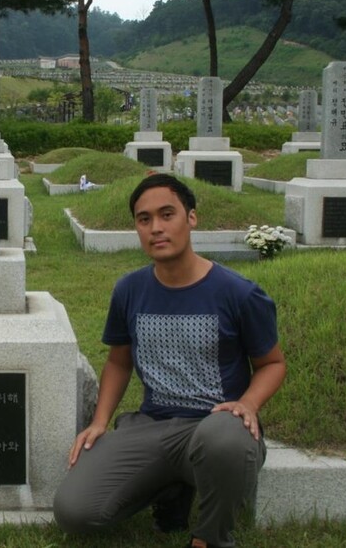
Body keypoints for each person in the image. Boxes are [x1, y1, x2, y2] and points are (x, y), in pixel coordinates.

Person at [53, 173, 286, 548]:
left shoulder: (238, 293)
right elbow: (118, 361)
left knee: (221, 440)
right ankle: (171, 488)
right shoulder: (130, 290)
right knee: (75, 510)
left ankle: (210, 536)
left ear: (191, 218)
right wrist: (99, 422)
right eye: (144, 219)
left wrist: (248, 404)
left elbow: (273, 364)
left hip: (217, 426)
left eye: (167, 215)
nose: (156, 228)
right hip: (152, 427)